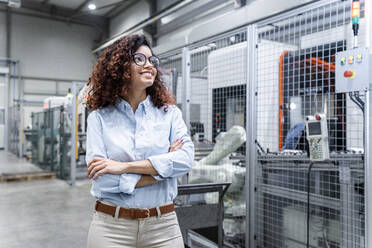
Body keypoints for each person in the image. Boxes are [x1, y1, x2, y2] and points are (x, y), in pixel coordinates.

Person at [85, 34, 194, 248]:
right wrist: (163, 171)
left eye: (152, 60)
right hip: (111, 228)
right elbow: (102, 180)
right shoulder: (98, 118)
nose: (150, 66)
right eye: (140, 59)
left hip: (163, 227)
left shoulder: (169, 113)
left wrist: (123, 167)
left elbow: (186, 159)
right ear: (120, 66)